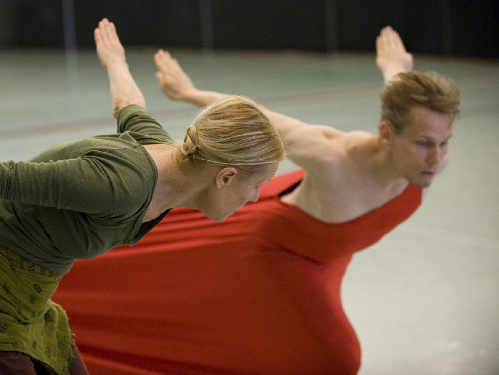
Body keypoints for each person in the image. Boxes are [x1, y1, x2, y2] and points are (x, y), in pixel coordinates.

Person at [53, 26, 460, 374]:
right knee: (335, 358)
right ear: (387, 134)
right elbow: (259, 118)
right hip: (275, 249)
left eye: (445, 143)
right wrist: (190, 94)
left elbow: (400, 102)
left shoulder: (414, 156)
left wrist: (395, 69)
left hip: (326, 255)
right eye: (425, 144)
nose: (437, 158)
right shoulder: (332, 157)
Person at [0, 18, 284, 375]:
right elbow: (7, 179)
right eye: (256, 185)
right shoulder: (121, 185)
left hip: (30, 298)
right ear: (225, 176)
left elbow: (128, 103)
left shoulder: (164, 154)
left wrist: (116, 61)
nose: (257, 197)